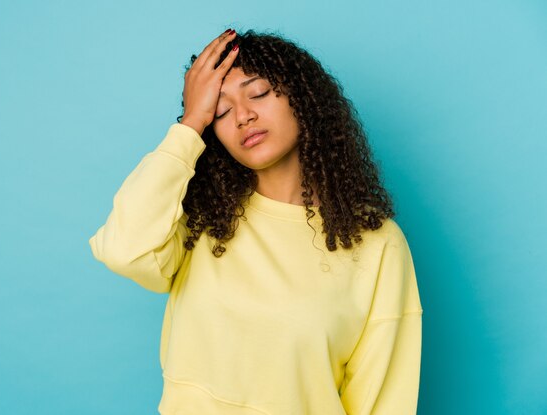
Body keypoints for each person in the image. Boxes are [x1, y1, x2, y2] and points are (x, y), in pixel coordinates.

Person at [89, 28, 423, 415]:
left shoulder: (376, 243)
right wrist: (190, 125)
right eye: (221, 111)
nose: (244, 116)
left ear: (302, 98)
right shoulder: (203, 220)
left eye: (259, 93)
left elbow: (385, 400)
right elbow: (123, 251)